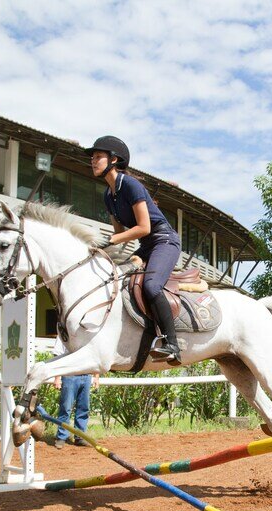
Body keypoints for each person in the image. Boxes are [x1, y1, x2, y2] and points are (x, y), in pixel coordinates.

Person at [85, 135, 183, 364]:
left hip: (164, 241)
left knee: (151, 285)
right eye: (92, 157)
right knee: (115, 280)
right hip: (145, 246)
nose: (93, 160)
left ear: (113, 159)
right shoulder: (108, 195)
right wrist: (102, 250)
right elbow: (121, 235)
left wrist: (109, 239)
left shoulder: (130, 185)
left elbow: (143, 227)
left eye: (98, 156)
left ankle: (172, 344)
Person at [53, 372, 99, 446]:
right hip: (69, 376)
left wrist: (96, 377)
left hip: (86, 376)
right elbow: (60, 360)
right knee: (65, 408)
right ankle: (61, 437)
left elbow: (95, 360)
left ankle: (80, 438)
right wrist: (57, 378)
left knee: (83, 408)